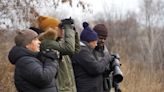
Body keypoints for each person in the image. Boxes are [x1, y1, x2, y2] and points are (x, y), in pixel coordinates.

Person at [32, 16, 80, 92]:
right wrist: (68, 28)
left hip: (68, 87)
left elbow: (75, 50)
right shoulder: (46, 43)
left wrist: (73, 31)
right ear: (51, 29)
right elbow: (69, 49)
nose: (62, 30)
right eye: (60, 27)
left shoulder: (58, 43)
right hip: (61, 87)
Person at [71, 22, 112, 92]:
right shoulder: (82, 52)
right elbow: (96, 68)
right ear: (90, 41)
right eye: (95, 41)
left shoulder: (85, 50)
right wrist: (107, 58)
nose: (96, 44)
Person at [93, 24, 122, 92]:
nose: (103, 41)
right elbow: (95, 68)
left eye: (104, 39)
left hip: (106, 88)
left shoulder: (106, 51)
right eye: (100, 38)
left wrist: (117, 86)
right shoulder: (88, 51)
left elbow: (113, 74)